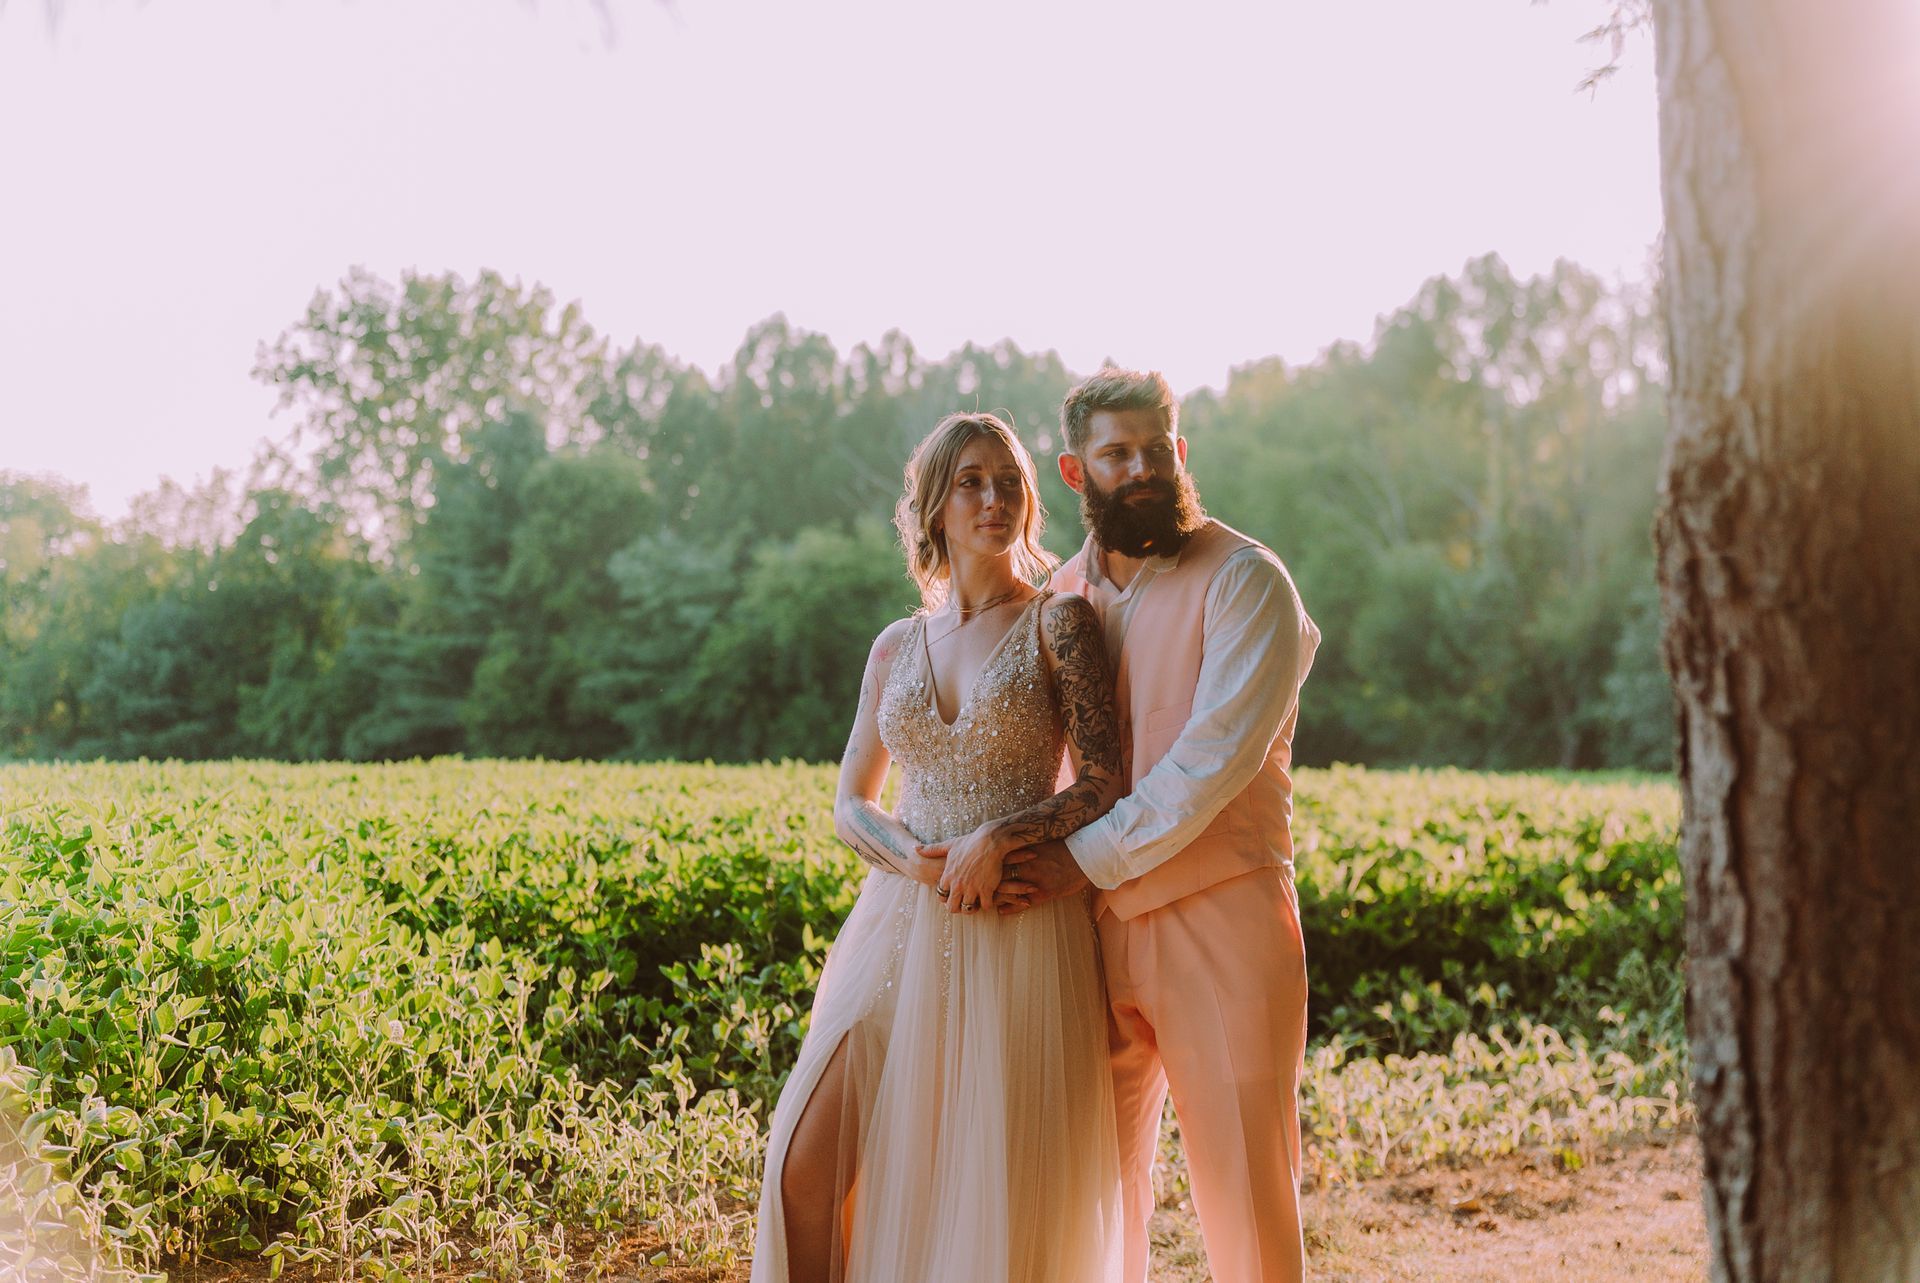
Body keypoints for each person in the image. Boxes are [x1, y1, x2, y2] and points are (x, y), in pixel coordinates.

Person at [750, 412, 1125, 1283]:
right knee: (803, 1162)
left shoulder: (1059, 623)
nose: (993, 497)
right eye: (970, 481)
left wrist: (1001, 833)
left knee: (984, 1194)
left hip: (1018, 929)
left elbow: (1105, 782)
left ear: (1030, 500)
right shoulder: (894, 645)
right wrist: (906, 856)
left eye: (1008, 481)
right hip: (895, 928)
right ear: (934, 507)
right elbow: (851, 800)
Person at [995, 368, 1320, 1283]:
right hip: (1087, 933)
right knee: (1095, 1196)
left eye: (1155, 449)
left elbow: (1207, 768)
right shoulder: (1058, 596)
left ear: (1179, 453)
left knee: (1246, 1195)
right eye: (1115, 454)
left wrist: (1073, 864)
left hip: (1224, 920)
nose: (1140, 467)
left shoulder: (1248, 581)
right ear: (1074, 471)